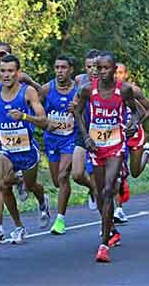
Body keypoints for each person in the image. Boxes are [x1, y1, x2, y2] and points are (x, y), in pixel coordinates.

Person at [74, 51, 139, 263]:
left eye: (106, 68)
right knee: (101, 193)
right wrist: (86, 138)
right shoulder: (87, 90)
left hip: (115, 146)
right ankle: (110, 229)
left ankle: (103, 244)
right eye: (99, 68)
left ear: (114, 69)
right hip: (95, 147)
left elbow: (138, 111)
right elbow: (77, 112)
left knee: (109, 189)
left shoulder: (124, 90)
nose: (102, 72)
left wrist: (133, 123)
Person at [0, 42, 42, 244]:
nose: (6, 75)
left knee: (31, 185)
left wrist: (24, 117)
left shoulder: (28, 91)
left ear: (17, 72)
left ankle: (40, 197)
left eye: (10, 71)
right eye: (3, 71)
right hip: (3, 145)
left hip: (26, 148)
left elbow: (44, 120)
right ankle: (1, 229)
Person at [41, 55, 93, 235]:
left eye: (63, 67)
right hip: (52, 139)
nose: (60, 71)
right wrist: (46, 122)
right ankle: (92, 188)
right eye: (57, 67)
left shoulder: (79, 90)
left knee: (64, 176)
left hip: (71, 138)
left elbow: (88, 113)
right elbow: (35, 109)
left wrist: (77, 110)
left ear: (71, 69)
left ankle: (60, 220)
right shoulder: (47, 89)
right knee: (57, 181)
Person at [113, 63, 149, 223]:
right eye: (115, 72)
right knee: (116, 171)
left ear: (126, 75)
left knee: (135, 172)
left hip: (135, 135)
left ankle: (147, 152)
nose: (117, 75)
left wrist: (136, 123)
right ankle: (118, 209)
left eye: (120, 73)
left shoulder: (133, 90)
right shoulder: (107, 91)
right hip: (117, 135)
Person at [71, 49, 99, 211]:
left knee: (101, 177)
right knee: (77, 174)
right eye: (89, 67)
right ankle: (92, 189)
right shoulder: (80, 81)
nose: (93, 71)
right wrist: (72, 108)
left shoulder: (108, 84)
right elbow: (76, 102)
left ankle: (111, 215)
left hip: (103, 133)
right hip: (83, 131)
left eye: (96, 66)